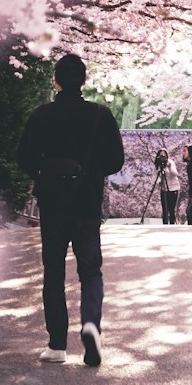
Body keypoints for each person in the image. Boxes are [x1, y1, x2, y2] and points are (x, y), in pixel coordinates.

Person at [16, 53, 124, 365]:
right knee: (91, 270)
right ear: (85, 81)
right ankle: (91, 324)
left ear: (56, 80)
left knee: (54, 271)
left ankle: (57, 345)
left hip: (53, 205)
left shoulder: (42, 115)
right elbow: (116, 160)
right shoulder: (101, 115)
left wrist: (47, 172)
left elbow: (24, 158)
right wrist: (88, 173)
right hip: (87, 204)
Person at [154, 147, 181, 224]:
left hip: (174, 188)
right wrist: (159, 181)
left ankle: (172, 224)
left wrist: (169, 167)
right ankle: (165, 224)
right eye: (160, 155)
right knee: (165, 209)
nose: (162, 157)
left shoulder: (170, 162)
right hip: (164, 188)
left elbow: (175, 173)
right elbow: (156, 176)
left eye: (164, 155)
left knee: (172, 209)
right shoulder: (157, 164)